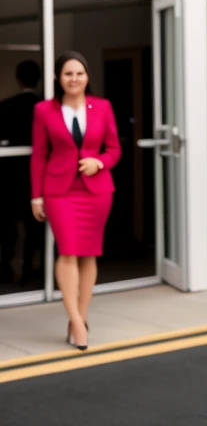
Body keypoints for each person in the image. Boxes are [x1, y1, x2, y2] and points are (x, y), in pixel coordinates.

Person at [30, 51, 121, 351]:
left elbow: (115, 149)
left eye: (79, 73)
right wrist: (36, 196)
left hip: (97, 191)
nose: (74, 79)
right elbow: (39, 155)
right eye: (68, 74)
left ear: (87, 77)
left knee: (89, 254)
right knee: (67, 251)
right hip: (59, 192)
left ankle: (78, 319)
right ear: (58, 78)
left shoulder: (103, 107)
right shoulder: (44, 110)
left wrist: (100, 162)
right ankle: (78, 324)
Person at [0, 60, 44, 285]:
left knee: (7, 224)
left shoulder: (6, 106)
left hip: (8, 175)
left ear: (19, 79)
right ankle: (30, 269)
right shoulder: (44, 107)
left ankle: (5, 269)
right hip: (35, 177)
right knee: (34, 225)